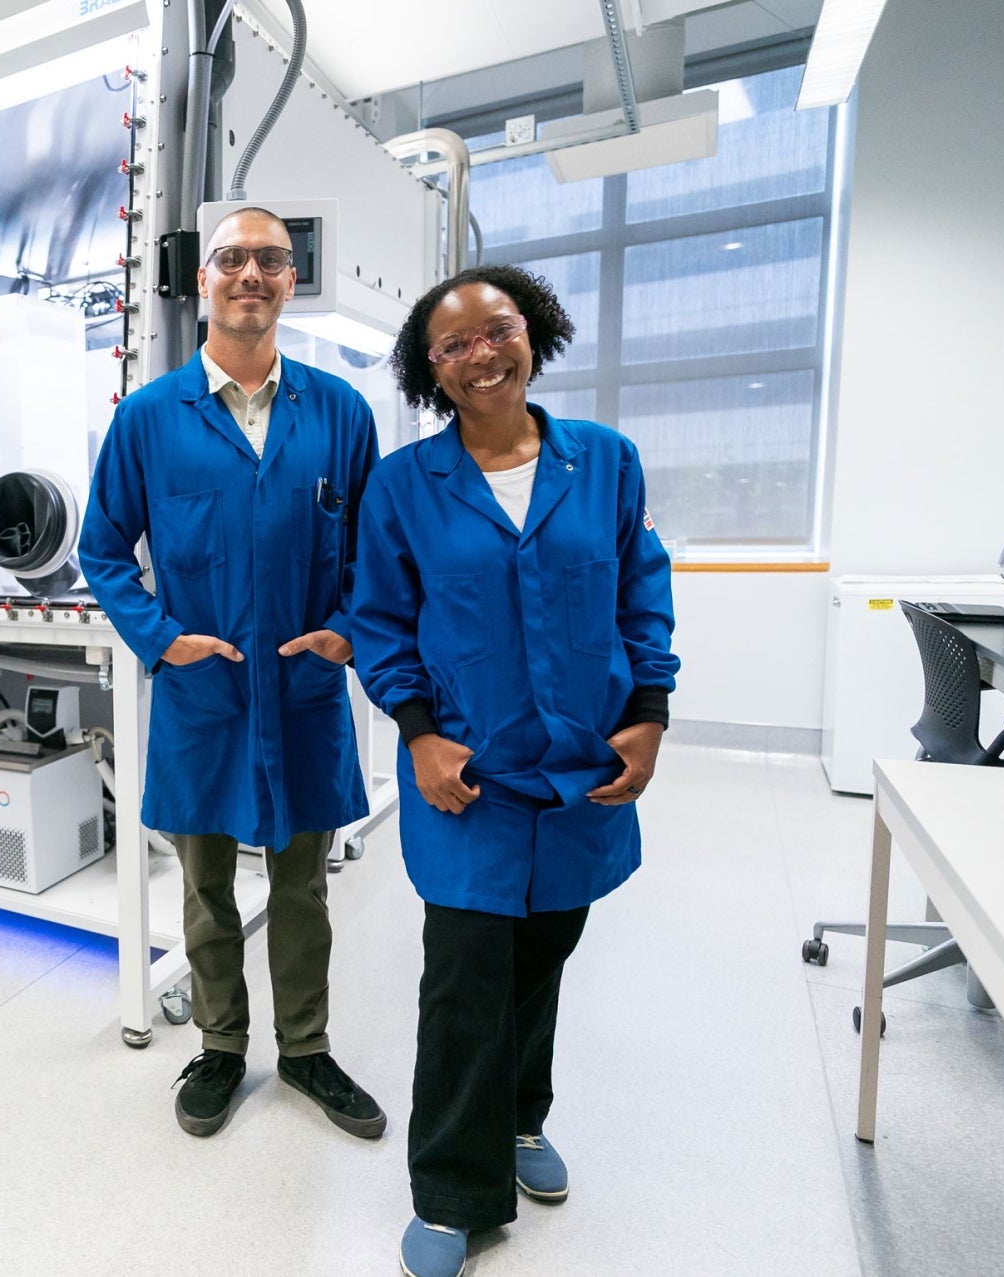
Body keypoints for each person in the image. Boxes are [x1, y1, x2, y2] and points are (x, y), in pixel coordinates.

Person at [347, 266, 678, 1277]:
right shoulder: (405, 485)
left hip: (582, 778)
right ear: (429, 371)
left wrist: (650, 713)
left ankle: (522, 1118)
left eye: (497, 331)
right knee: (463, 985)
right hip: (469, 782)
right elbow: (379, 620)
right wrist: (417, 731)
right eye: (454, 345)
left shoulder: (608, 463)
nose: (481, 354)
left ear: (533, 332)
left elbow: (639, 592)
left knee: (540, 963)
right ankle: (453, 1191)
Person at [78, 206, 384, 1142]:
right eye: (232, 259)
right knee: (205, 885)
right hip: (203, 699)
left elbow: (377, 552)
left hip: (300, 695)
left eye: (271, 261)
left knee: (304, 883)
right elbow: (101, 549)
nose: (251, 274)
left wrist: (344, 631)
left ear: (292, 281)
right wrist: (159, 637)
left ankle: (305, 1047)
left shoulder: (338, 411)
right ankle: (218, 1045)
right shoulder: (148, 418)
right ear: (203, 280)